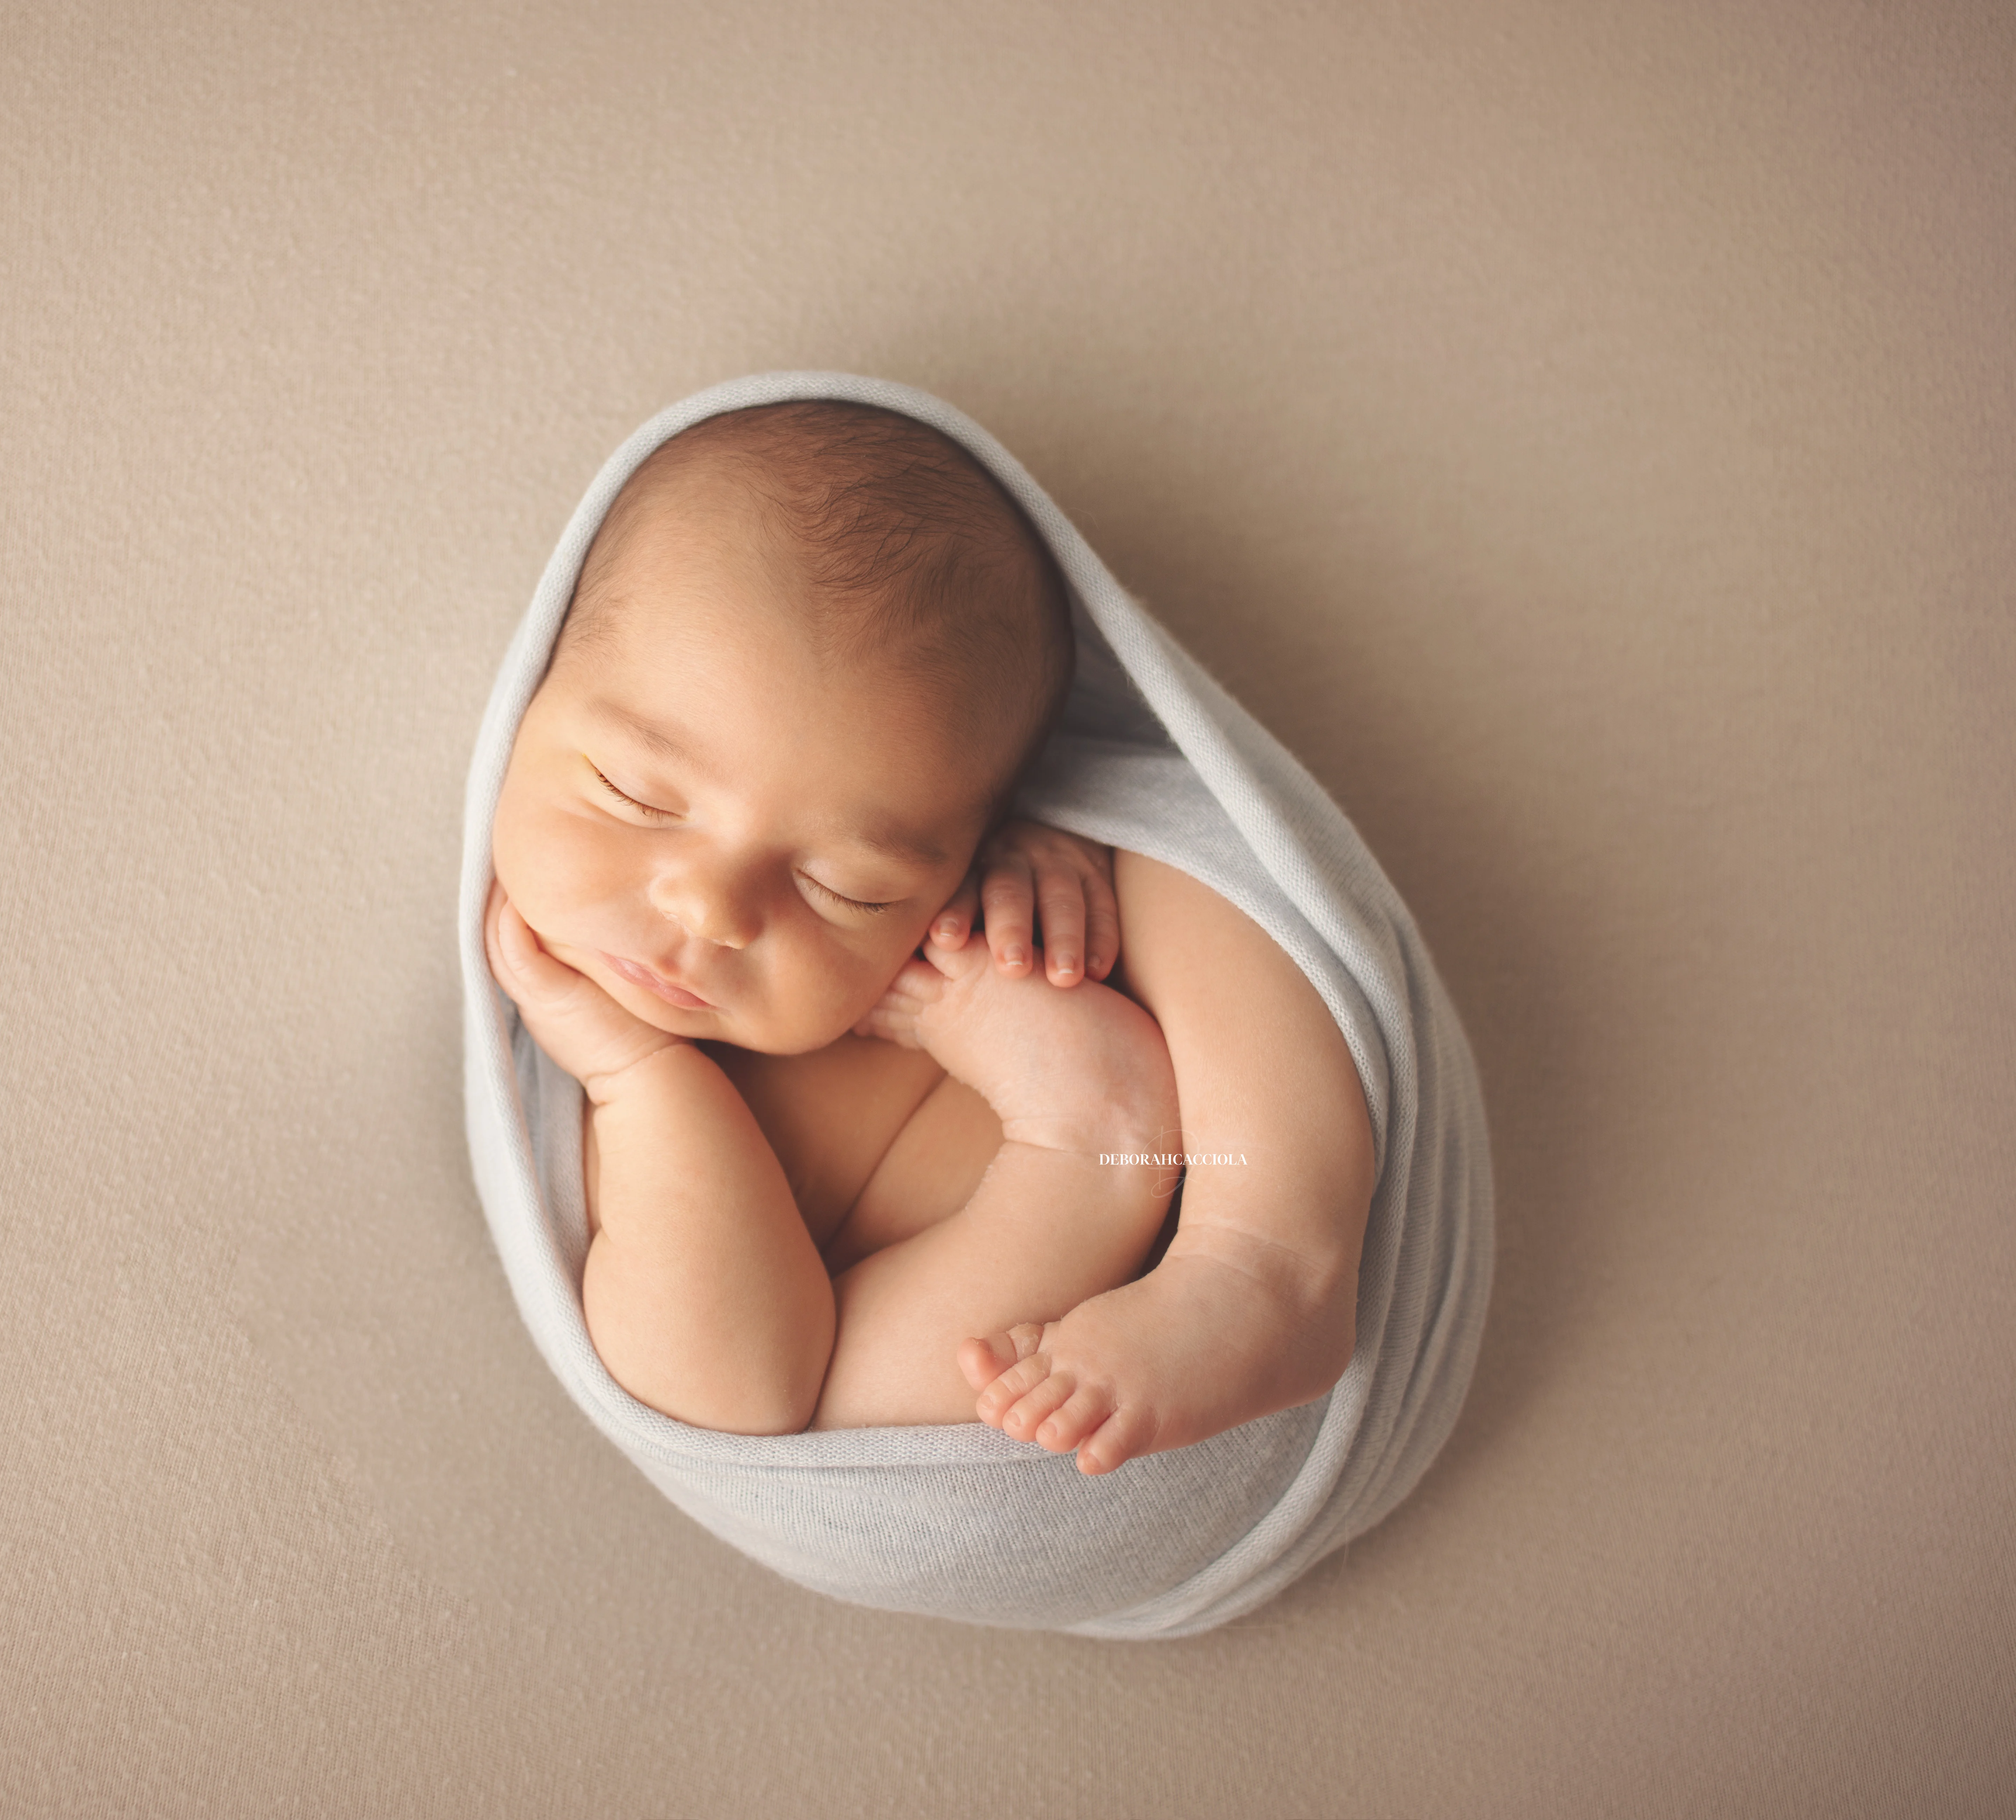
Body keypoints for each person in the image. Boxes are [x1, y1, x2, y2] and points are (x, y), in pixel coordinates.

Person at [480, 399, 1374, 1475]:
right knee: (827, 1401)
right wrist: (636, 1073)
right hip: (1040, 1335)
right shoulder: (575, 1097)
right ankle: (1088, 1141)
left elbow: (1091, 833)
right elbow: (735, 1394)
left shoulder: (967, 879)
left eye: (844, 887)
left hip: (1205, 1179)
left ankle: (1266, 1254)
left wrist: (1058, 856)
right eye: (636, 793)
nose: (713, 909)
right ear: (530, 688)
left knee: (1191, 853)